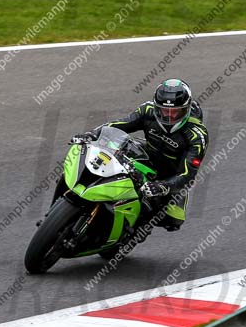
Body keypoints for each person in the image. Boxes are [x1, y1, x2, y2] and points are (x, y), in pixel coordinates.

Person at [74, 79, 209, 231]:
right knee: (106, 151)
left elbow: (188, 174)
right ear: (156, 107)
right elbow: (120, 124)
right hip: (146, 155)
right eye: (164, 111)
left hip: (169, 175)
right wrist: (92, 134)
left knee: (173, 219)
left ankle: (131, 230)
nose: (169, 117)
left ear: (186, 110)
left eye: (175, 112)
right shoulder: (148, 110)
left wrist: (164, 186)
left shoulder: (197, 136)